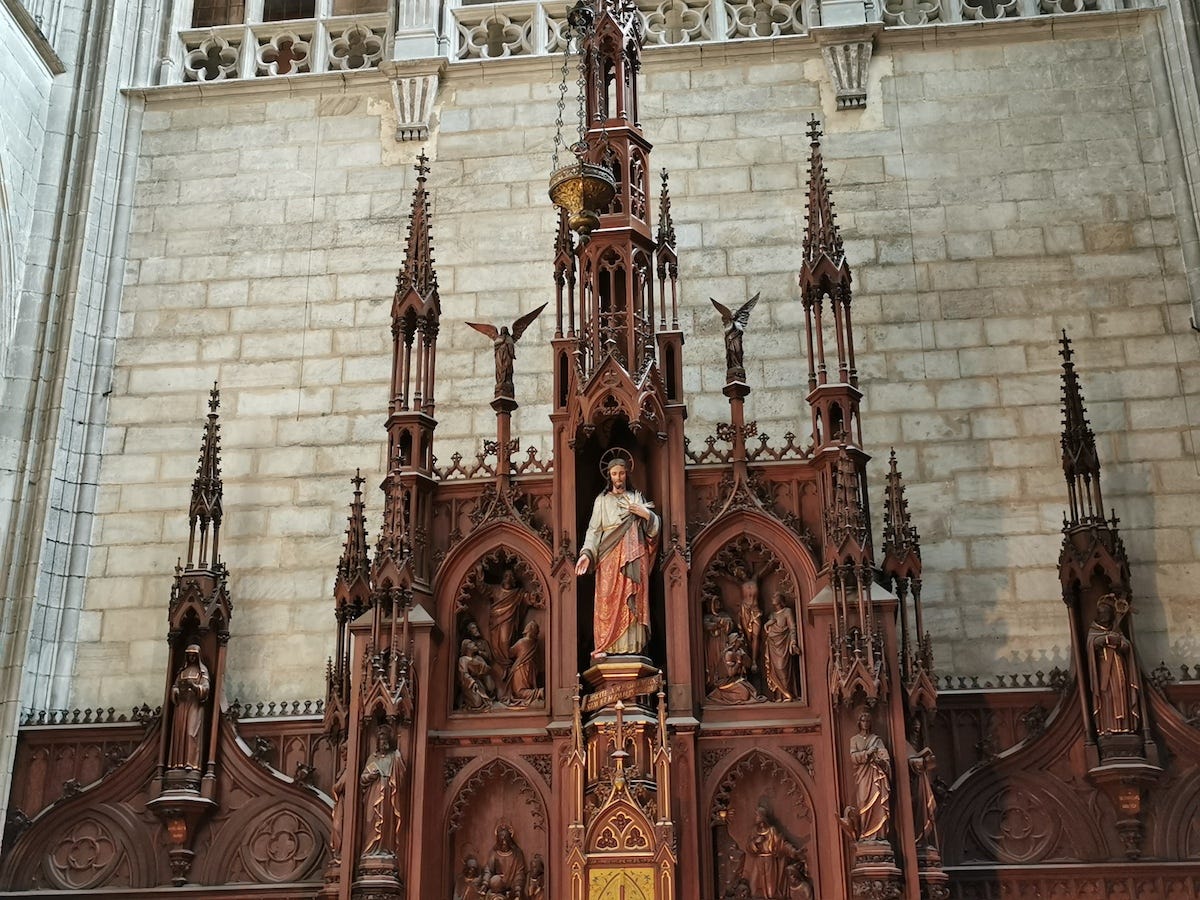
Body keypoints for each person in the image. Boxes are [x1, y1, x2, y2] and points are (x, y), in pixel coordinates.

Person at [575, 452, 660, 658]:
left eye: (622, 473)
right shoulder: (601, 501)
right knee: (608, 599)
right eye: (614, 474)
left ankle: (634, 647)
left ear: (626, 474)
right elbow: (594, 531)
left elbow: (653, 530)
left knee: (633, 598)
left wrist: (646, 515)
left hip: (635, 553)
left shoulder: (636, 498)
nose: (619, 477)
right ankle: (606, 645)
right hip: (609, 557)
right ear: (609, 476)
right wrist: (586, 553)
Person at [1087, 595, 1139, 735]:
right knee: (1107, 695)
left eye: (1107, 614)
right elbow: (1091, 644)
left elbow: (1126, 645)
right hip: (1104, 671)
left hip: (1119, 667)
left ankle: (1126, 726)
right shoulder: (1094, 630)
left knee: (1122, 692)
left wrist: (1121, 643)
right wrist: (1106, 638)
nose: (1105, 617)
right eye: (1102, 614)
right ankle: (1107, 727)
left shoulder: (1117, 629)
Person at [360, 724, 406, 857]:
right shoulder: (372, 758)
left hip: (388, 794)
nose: (383, 743)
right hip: (373, 793)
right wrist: (370, 776)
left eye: (385, 741)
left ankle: (385, 848)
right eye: (381, 741)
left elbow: (401, 777)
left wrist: (397, 757)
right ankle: (370, 849)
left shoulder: (393, 757)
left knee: (386, 822)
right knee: (371, 821)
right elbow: (362, 779)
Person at [849, 711, 891, 843]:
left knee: (877, 800)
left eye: (867, 721)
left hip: (875, 775)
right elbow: (853, 757)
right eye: (863, 721)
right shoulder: (854, 740)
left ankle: (878, 834)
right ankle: (865, 832)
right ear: (859, 723)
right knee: (862, 801)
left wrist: (879, 760)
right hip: (862, 775)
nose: (865, 723)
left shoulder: (876, 740)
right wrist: (867, 753)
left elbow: (885, 758)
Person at [169, 644, 210, 769]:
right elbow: (175, 686)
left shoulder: (202, 672)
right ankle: (177, 763)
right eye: (190, 655)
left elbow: (206, 688)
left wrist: (194, 686)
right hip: (181, 705)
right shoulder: (182, 672)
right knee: (180, 733)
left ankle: (191, 763)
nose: (192, 658)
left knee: (191, 733)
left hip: (194, 705)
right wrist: (175, 690)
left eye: (194, 656)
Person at [743, 804, 791, 898]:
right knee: (755, 882)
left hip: (769, 859)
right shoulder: (754, 831)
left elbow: (780, 843)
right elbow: (748, 846)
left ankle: (770, 897)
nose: (758, 819)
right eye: (757, 817)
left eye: (759, 817)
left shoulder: (772, 831)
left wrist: (792, 851)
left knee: (770, 883)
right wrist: (755, 842)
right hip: (758, 859)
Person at [763, 593, 800, 701]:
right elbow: (767, 630)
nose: (773, 598)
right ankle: (779, 695)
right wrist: (767, 626)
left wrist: (793, 641)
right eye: (772, 596)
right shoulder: (772, 615)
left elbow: (792, 627)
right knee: (774, 670)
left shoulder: (787, 611)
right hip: (773, 645)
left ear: (781, 599)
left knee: (783, 668)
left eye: (775, 596)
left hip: (783, 644)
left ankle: (788, 694)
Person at [505, 621, 543, 707]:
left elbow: (510, 653)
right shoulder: (534, 642)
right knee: (524, 689)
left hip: (521, 667)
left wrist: (504, 643)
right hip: (531, 668)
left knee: (519, 692)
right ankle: (537, 692)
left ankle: (539, 692)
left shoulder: (523, 641)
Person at [483, 824, 526, 896]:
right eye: (502, 840)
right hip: (496, 890)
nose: (504, 843)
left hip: (512, 890)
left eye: (506, 840)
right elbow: (488, 870)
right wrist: (485, 883)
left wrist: (518, 887)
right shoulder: (494, 853)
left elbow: (520, 873)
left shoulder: (517, 854)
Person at [703, 593, 734, 690]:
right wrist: (718, 623)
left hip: (722, 642)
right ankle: (713, 682)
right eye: (716, 602)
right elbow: (707, 625)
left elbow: (729, 624)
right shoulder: (708, 617)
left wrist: (722, 623)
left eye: (719, 602)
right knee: (713, 662)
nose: (719, 604)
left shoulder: (724, 615)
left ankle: (724, 681)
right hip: (712, 644)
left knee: (723, 659)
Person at [458, 639, 495, 711]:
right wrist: (472, 682)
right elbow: (463, 673)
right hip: (469, 684)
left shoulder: (478, 658)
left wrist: (479, 665)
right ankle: (464, 698)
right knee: (477, 703)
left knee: (482, 699)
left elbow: (487, 669)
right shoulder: (463, 659)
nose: (474, 643)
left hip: (479, 682)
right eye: (471, 643)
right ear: (466, 647)